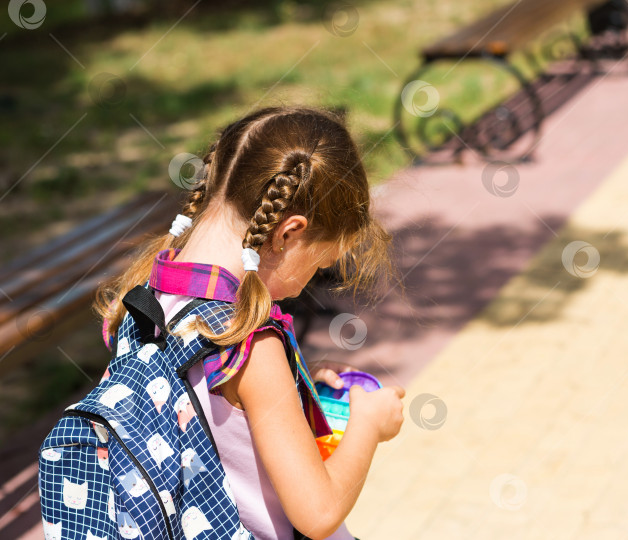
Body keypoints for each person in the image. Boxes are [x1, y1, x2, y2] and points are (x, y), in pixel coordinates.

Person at [95, 106, 406, 540]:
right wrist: (369, 425)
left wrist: (289, 389)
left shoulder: (144, 299)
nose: (305, 285)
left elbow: (200, 408)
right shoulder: (251, 344)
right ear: (287, 233)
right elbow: (318, 514)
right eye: (318, 264)